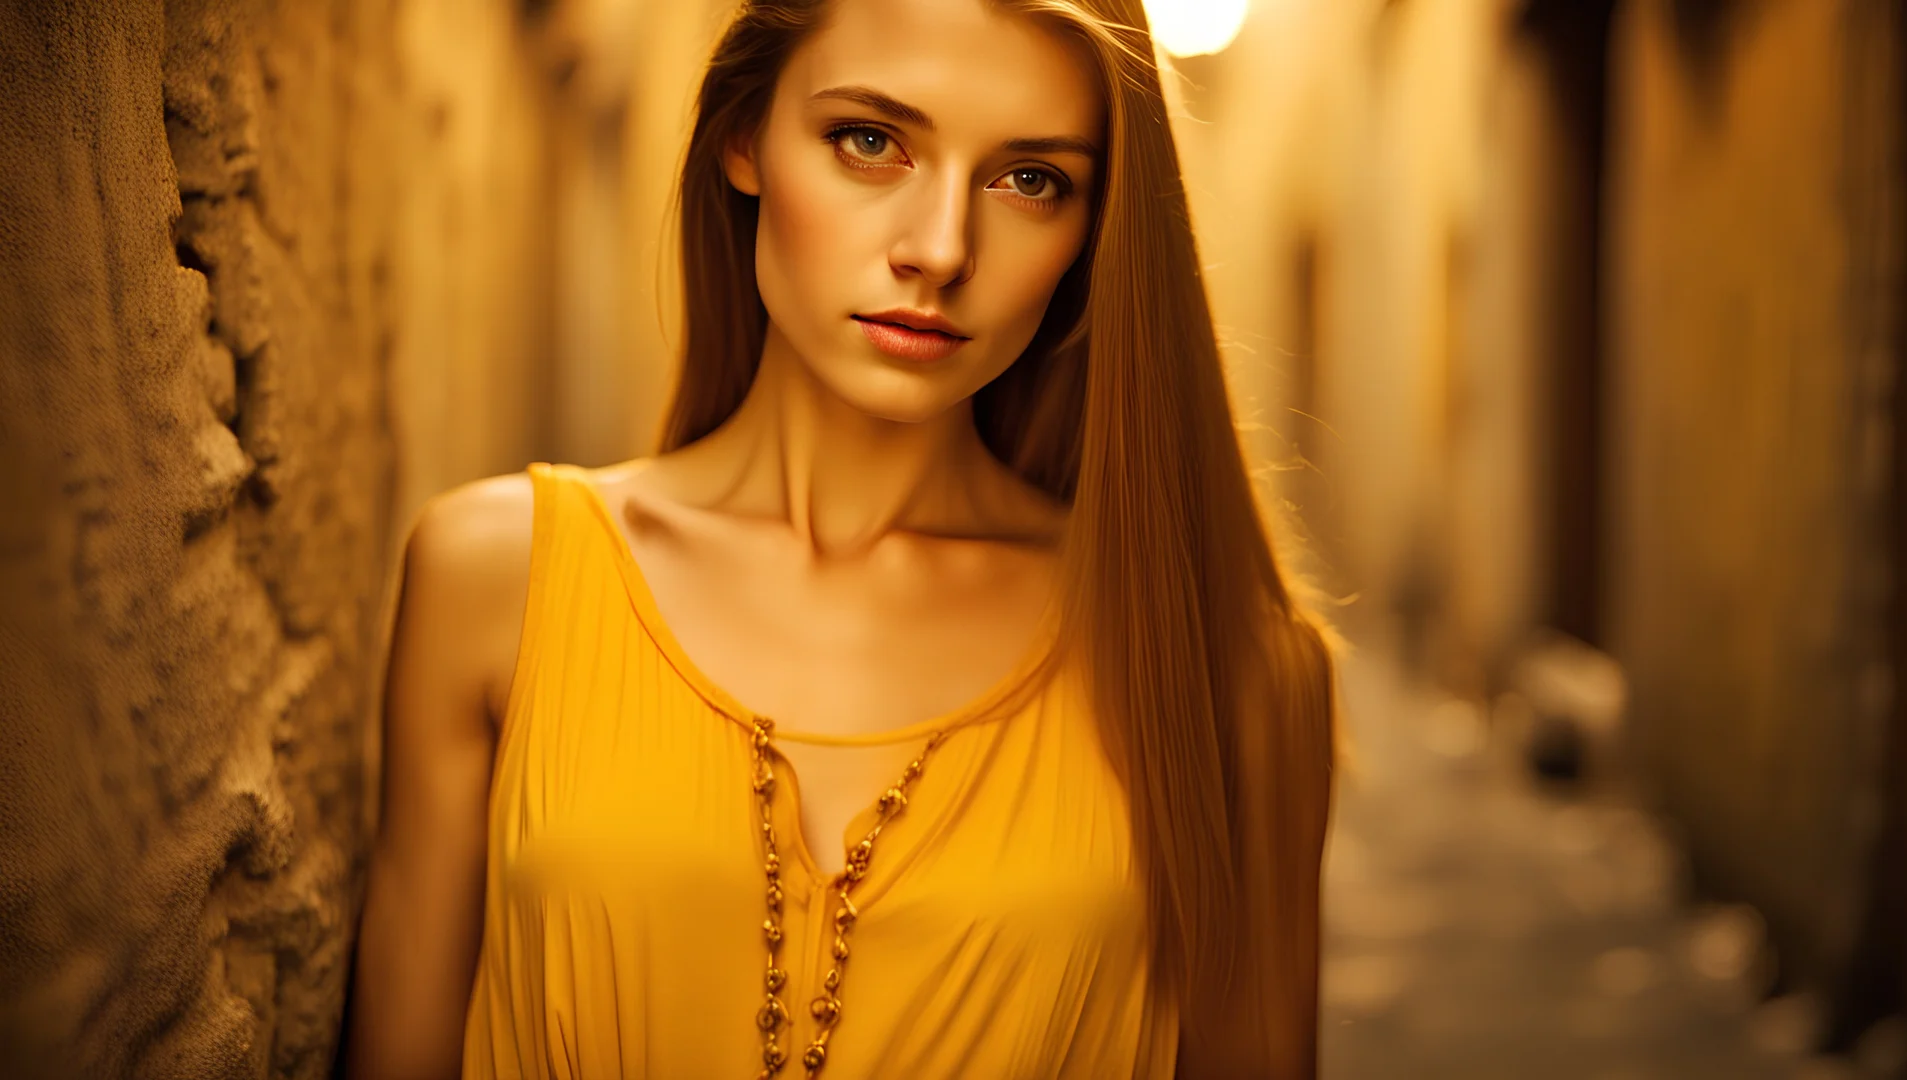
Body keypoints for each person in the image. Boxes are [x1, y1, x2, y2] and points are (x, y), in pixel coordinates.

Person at [344, 0, 1337, 1075]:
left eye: (1030, 179)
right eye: (871, 142)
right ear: (742, 139)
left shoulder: (1229, 667)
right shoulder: (498, 579)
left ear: (1095, 232)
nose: (942, 249)